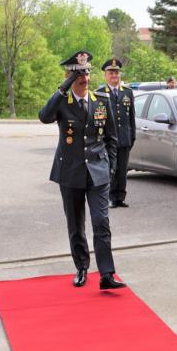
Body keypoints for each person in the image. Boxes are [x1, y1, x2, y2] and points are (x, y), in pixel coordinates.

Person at [38, 50, 125, 290]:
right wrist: (63, 87)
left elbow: (112, 139)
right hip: (70, 172)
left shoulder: (101, 101)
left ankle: (107, 273)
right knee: (76, 225)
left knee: (101, 221)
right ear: (69, 78)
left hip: (98, 171)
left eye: (86, 73)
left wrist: (111, 168)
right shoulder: (62, 104)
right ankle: (82, 267)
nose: (85, 78)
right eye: (78, 75)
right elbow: (44, 117)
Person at [97, 58, 136, 208]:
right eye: (111, 72)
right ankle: (111, 197)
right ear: (105, 75)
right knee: (110, 170)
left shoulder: (127, 92)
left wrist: (132, 136)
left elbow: (131, 117)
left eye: (117, 72)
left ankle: (120, 197)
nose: (114, 75)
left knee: (122, 170)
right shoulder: (99, 93)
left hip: (124, 138)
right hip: (107, 140)